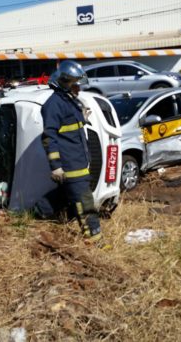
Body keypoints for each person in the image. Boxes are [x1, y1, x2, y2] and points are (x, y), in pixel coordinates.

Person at [40, 60, 103, 244]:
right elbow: (48, 137)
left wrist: (82, 120)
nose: (79, 89)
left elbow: (69, 129)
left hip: (80, 163)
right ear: (65, 82)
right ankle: (95, 241)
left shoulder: (69, 102)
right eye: (75, 84)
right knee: (86, 204)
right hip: (71, 166)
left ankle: (34, 216)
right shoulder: (53, 105)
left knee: (62, 199)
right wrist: (56, 166)